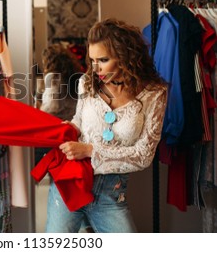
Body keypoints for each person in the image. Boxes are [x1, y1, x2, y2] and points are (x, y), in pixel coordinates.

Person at [45, 18, 168, 233]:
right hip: (70, 184)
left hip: (111, 196)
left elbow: (144, 155)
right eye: (92, 60)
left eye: (103, 59)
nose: (96, 68)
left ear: (125, 56)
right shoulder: (87, 81)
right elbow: (79, 121)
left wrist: (90, 150)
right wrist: (70, 128)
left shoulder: (154, 94)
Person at [35, 43, 82, 164]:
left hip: (55, 131)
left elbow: (52, 107)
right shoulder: (75, 75)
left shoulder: (53, 76)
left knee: (32, 156)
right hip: (70, 130)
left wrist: (38, 110)